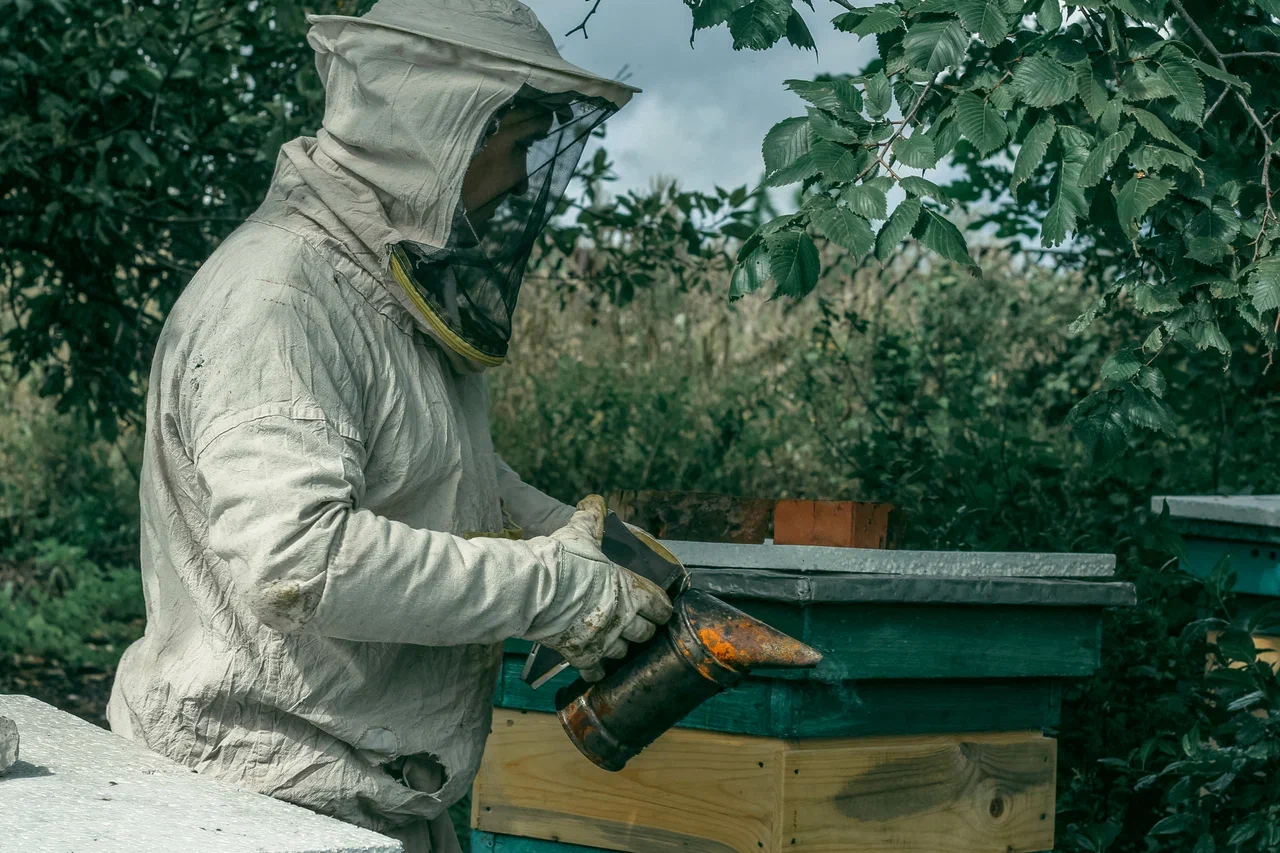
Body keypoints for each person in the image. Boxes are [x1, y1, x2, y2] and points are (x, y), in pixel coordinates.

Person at [105, 2, 671, 850]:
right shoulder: (278, 298)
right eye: (520, 144)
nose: (524, 180)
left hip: (367, 800)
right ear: (446, 129)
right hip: (250, 809)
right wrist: (554, 587)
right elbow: (298, 561)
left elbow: (430, 463)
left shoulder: (386, 289)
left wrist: (574, 537)